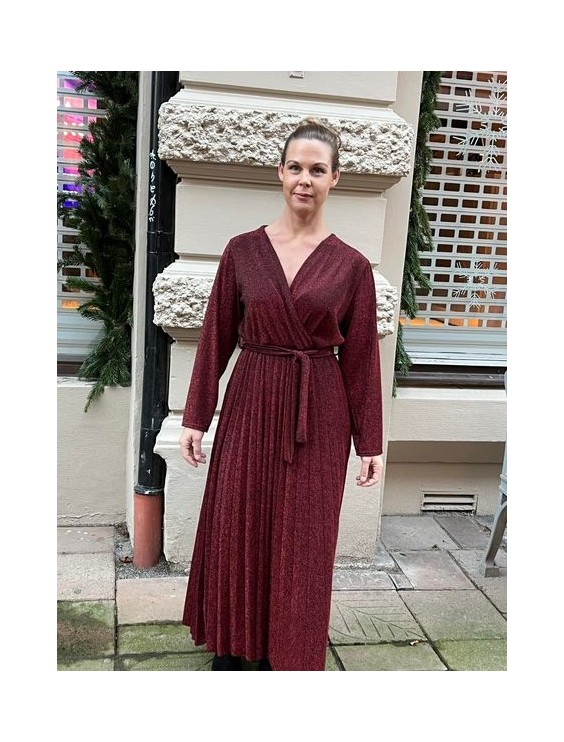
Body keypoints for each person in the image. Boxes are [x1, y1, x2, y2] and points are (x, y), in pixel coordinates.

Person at [179, 118, 383, 671]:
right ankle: (234, 645)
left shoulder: (352, 267)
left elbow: (362, 360)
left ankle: (287, 655)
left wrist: (369, 442)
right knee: (238, 524)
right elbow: (216, 337)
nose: (304, 179)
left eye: (317, 169)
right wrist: (196, 416)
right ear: (280, 172)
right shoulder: (242, 252)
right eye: (295, 167)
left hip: (318, 412)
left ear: (335, 178)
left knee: (304, 537)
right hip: (250, 402)